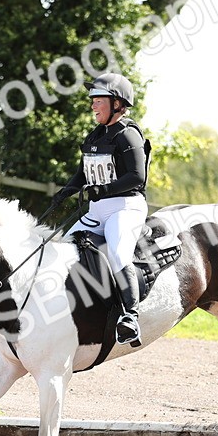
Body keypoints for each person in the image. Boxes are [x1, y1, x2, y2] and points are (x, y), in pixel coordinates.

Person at [49, 72, 151, 346]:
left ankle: (130, 316)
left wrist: (102, 190)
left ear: (117, 103)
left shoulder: (128, 135)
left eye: (98, 99)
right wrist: (68, 190)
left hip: (125, 207)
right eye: (92, 100)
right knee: (62, 247)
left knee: (118, 254)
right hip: (97, 210)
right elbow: (84, 171)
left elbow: (136, 177)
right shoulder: (96, 134)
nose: (93, 105)